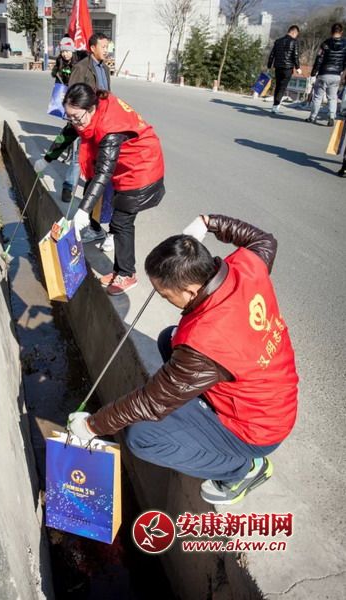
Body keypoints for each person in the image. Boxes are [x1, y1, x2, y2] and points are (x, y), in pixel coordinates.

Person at [67, 214, 299, 505]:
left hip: (255, 430)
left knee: (142, 437)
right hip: (272, 397)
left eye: (166, 295)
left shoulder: (206, 342)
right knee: (170, 338)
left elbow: (151, 402)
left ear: (190, 290)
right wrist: (208, 222)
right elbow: (264, 239)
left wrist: (92, 426)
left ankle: (242, 471)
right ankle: (203, 411)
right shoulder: (247, 267)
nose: (165, 299)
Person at [34, 84, 165, 296]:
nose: (74, 122)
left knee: (121, 222)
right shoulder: (86, 112)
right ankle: (120, 270)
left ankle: (127, 275)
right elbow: (70, 131)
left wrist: (83, 211)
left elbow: (102, 173)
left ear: (91, 108)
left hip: (141, 168)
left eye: (77, 117)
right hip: (124, 167)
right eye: (69, 116)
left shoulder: (109, 128)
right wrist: (47, 158)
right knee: (118, 220)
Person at [62, 33, 112, 245]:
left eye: (107, 47)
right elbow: (72, 98)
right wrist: (76, 123)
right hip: (86, 127)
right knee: (87, 169)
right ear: (92, 48)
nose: (106, 50)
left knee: (100, 176)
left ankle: (95, 223)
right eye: (103, 46)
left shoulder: (105, 69)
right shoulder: (81, 68)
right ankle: (89, 220)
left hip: (102, 127)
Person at [305, 23, 346, 127]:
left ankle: (312, 117)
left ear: (331, 31)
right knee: (333, 97)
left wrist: (313, 72)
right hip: (336, 75)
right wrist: (342, 73)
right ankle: (331, 117)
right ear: (341, 32)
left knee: (318, 96)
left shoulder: (325, 43)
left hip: (323, 73)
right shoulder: (345, 45)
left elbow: (319, 59)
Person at [267, 25, 302, 114]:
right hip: (288, 68)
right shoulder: (294, 42)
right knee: (282, 87)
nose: (296, 36)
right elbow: (295, 56)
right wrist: (298, 67)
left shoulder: (278, 41)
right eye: (296, 35)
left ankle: (275, 105)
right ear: (294, 32)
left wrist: (269, 65)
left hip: (278, 67)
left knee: (278, 86)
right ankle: (276, 106)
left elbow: (272, 55)